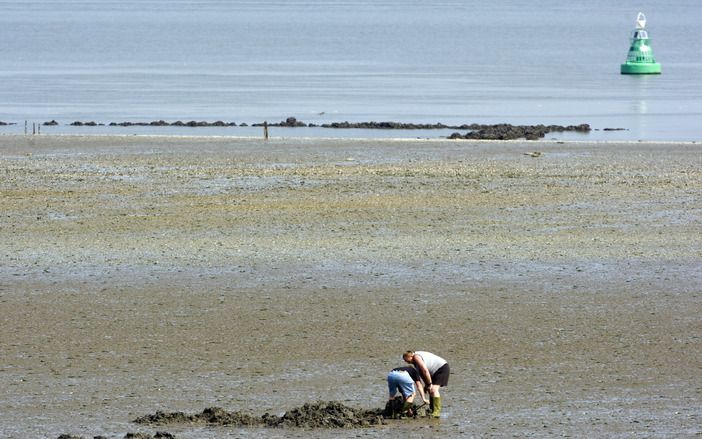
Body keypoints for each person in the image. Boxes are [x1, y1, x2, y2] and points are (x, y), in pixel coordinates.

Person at [402, 350, 450, 418]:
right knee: (430, 390)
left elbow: (425, 370)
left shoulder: (416, 357)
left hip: (441, 368)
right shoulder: (415, 363)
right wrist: (427, 385)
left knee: (433, 389)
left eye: (406, 359)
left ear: (410, 356)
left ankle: (437, 412)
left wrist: (430, 383)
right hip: (433, 372)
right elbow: (423, 374)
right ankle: (432, 410)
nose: (406, 362)